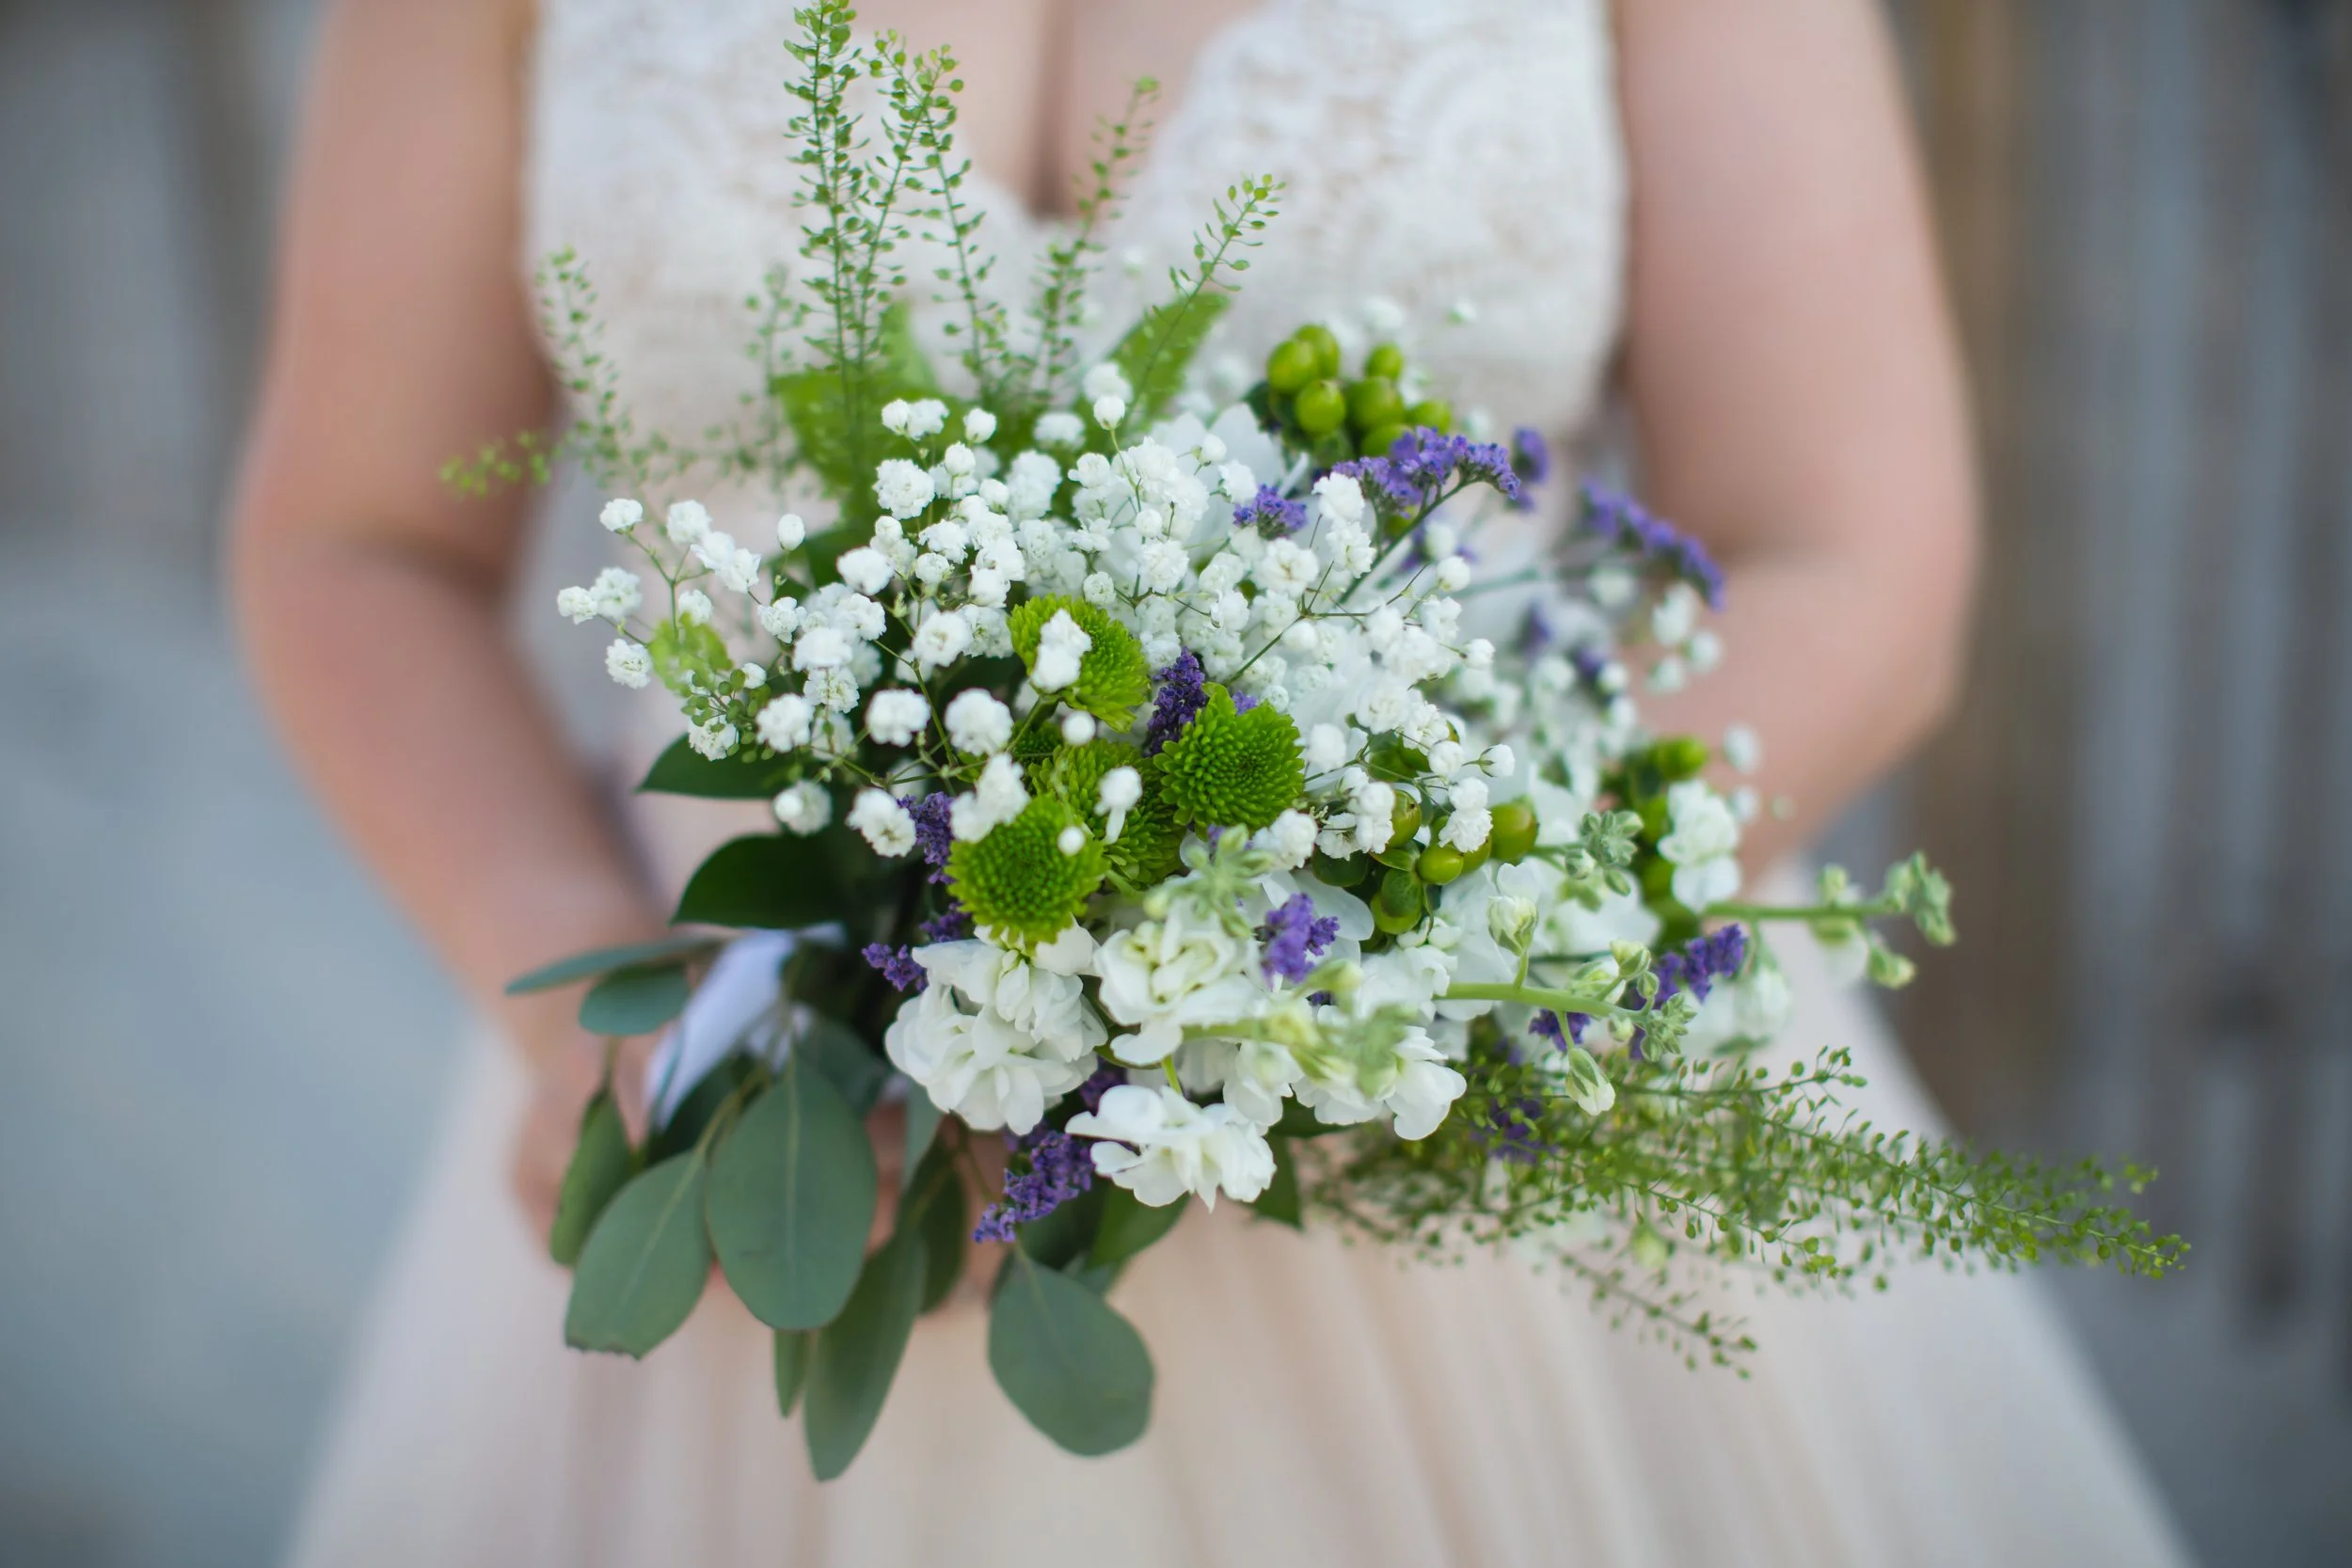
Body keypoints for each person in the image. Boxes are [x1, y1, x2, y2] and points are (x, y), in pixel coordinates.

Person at [233, 1, 2196, 1562]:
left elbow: (1846, 549)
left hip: (1489, 1141)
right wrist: (599, 992)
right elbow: (356, 539)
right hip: (781, 1146)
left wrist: (1422, 949)